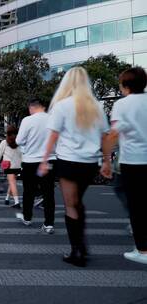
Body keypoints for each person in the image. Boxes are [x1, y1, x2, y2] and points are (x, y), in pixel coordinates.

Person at [39, 67, 109, 267]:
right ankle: (82, 245)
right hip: (89, 164)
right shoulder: (95, 106)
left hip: (68, 161)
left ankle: (76, 251)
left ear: (67, 83)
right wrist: (106, 161)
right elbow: (105, 136)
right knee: (78, 202)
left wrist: (44, 161)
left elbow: (52, 136)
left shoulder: (62, 105)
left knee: (71, 205)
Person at [101, 67, 147, 265]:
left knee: (137, 207)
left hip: (133, 161)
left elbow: (113, 134)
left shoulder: (122, 104)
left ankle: (143, 251)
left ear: (125, 85)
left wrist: (106, 159)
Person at [16, 99, 56, 233]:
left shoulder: (27, 120)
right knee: (49, 193)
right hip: (49, 161)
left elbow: (19, 140)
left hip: (30, 161)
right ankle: (49, 224)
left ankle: (27, 218)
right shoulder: (52, 119)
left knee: (29, 191)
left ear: (31, 108)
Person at [0, 126, 22, 208]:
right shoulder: (19, 142)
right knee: (12, 182)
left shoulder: (4, 142)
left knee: (12, 182)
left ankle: (17, 202)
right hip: (18, 165)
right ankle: (7, 198)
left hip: (8, 166)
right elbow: (22, 154)